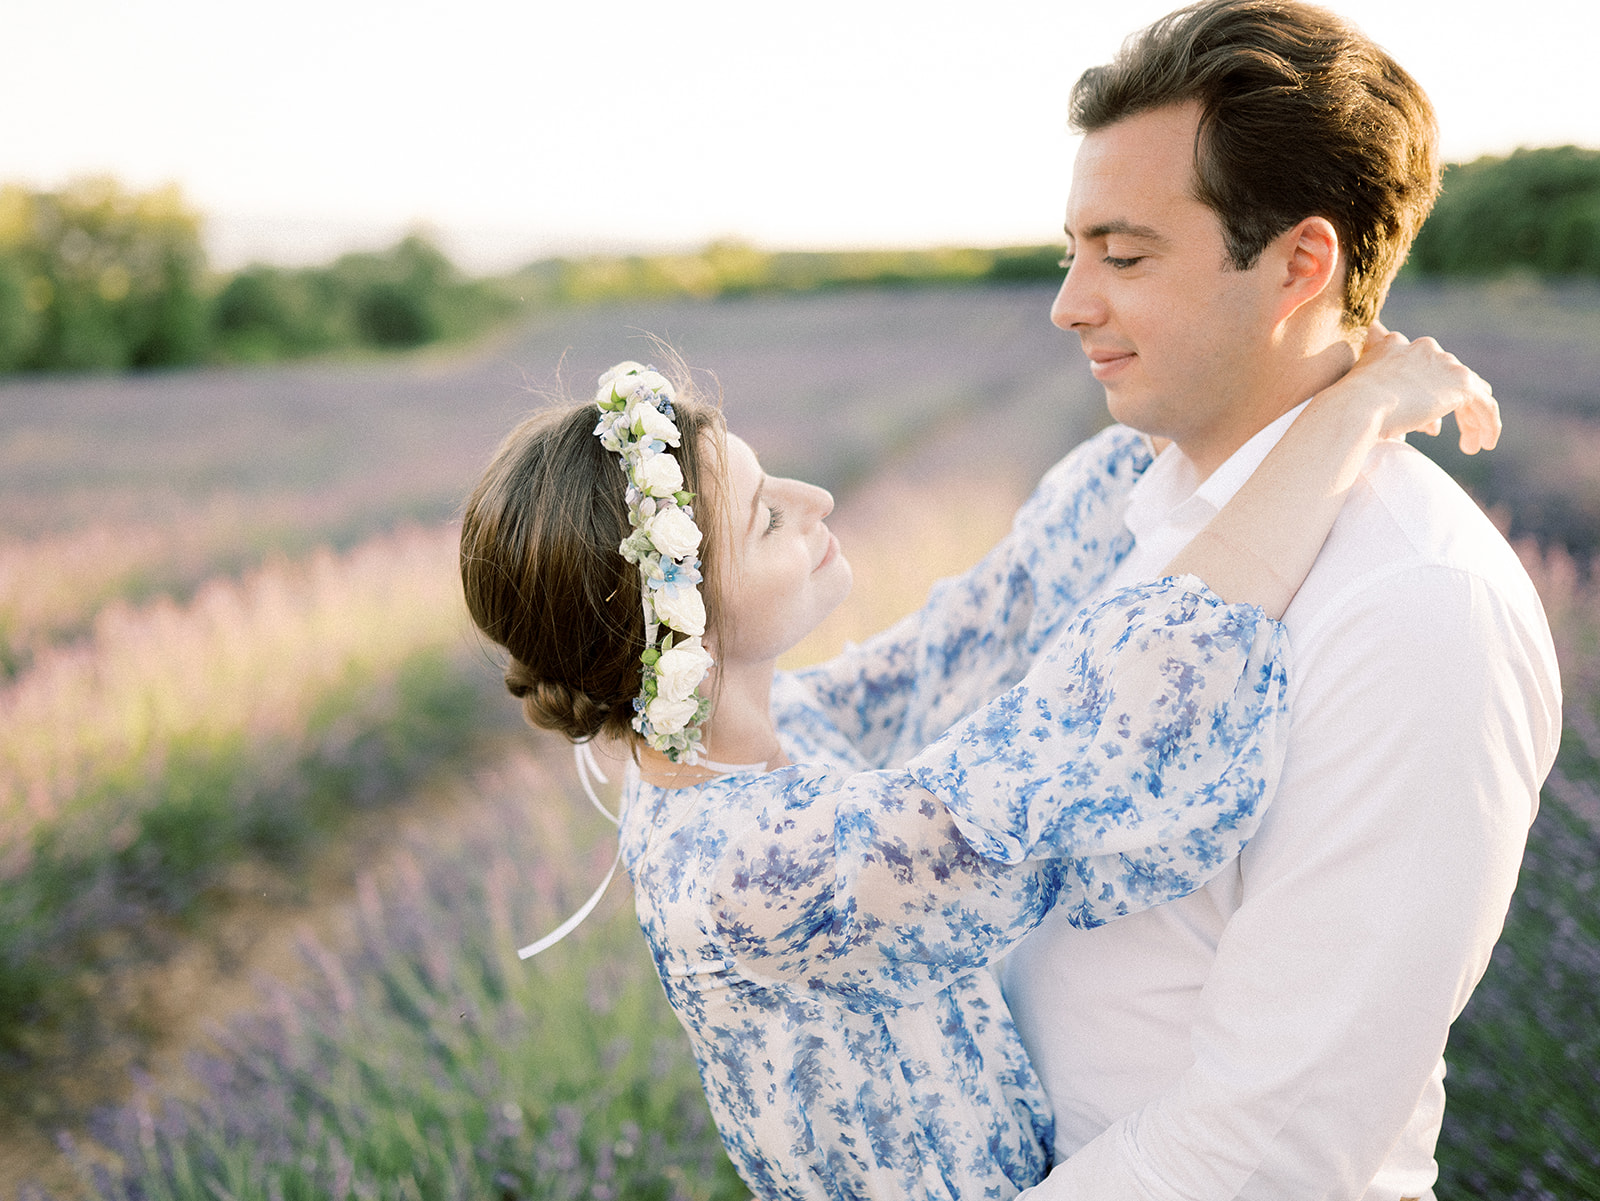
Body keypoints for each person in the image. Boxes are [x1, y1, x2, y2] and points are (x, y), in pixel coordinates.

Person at [790, 2, 1556, 1197]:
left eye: (1125, 254)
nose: (1069, 303)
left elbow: (1277, 1144)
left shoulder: (1416, 607)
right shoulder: (1120, 502)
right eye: (1070, 249)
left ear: (1300, 265)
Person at [459, 344, 1498, 1200]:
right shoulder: (749, 878)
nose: (814, 497)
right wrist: (1340, 420)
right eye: (765, 517)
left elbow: (973, 629)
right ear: (672, 627)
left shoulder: (760, 741)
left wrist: (1232, 373)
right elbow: (1071, 734)